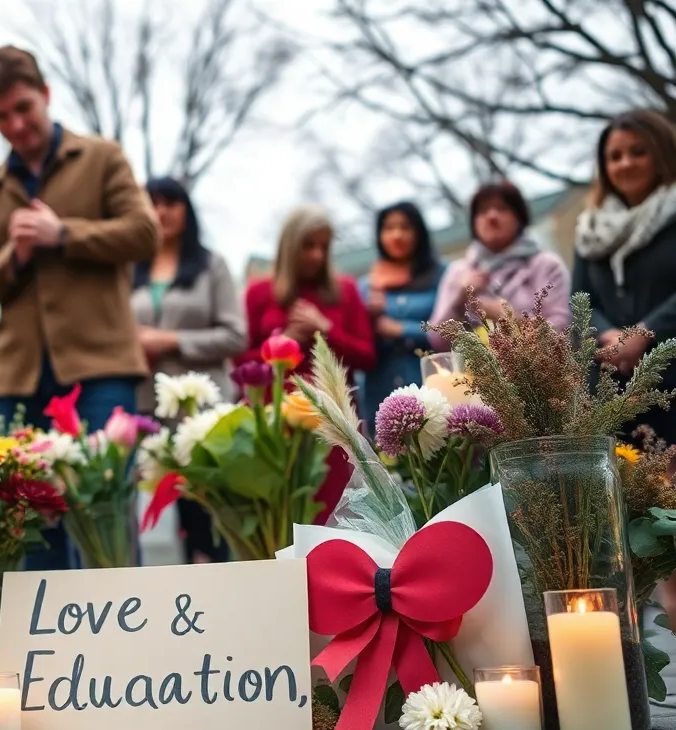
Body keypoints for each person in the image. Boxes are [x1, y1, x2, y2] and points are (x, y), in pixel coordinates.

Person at [0, 45, 159, 570]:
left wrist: (62, 233)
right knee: (29, 526)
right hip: (20, 380)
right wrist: (16, 254)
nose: (16, 124)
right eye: (1, 116)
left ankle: (124, 647)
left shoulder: (101, 157)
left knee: (107, 520)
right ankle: (47, 653)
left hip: (102, 370)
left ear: (46, 94)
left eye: (23, 107)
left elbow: (144, 233)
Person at [130, 177, 244, 563]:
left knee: (209, 516)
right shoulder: (129, 271)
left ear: (186, 210)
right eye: (153, 204)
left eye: (171, 203)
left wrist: (171, 340)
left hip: (205, 411)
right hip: (148, 410)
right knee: (160, 510)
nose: (161, 212)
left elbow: (235, 335)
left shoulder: (212, 266)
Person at [239, 206, 375, 520]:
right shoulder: (259, 293)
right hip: (276, 428)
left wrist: (324, 329)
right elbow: (241, 363)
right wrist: (283, 341)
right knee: (282, 517)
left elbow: (367, 355)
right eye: (308, 246)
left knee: (336, 515)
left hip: (333, 426)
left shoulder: (345, 291)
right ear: (289, 247)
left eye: (324, 248)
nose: (316, 255)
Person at [574, 109, 676, 443]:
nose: (625, 163)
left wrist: (645, 333)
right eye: (614, 157)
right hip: (613, 390)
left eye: (638, 151)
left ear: (661, 152)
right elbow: (580, 301)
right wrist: (609, 337)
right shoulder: (591, 230)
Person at [428, 181, 571, 347]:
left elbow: (561, 332)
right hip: (471, 373)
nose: (492, 216)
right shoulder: (459, 272)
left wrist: (508, 317)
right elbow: (437, 341)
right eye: (482, 211)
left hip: (537, 372)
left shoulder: (546, 265)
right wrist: (459, 300)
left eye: (502, 208)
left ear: (519, 217)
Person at [358, 202, 443, 420]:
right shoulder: (367, 285)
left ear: (419, 232)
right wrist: (369, 318)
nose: (397, 235)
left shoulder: (441, 275)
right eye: (388, 228)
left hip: (432, 384)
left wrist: (401, 329)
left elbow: (456, 329)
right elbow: (358, 344)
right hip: (382, 388)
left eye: (405, 227)